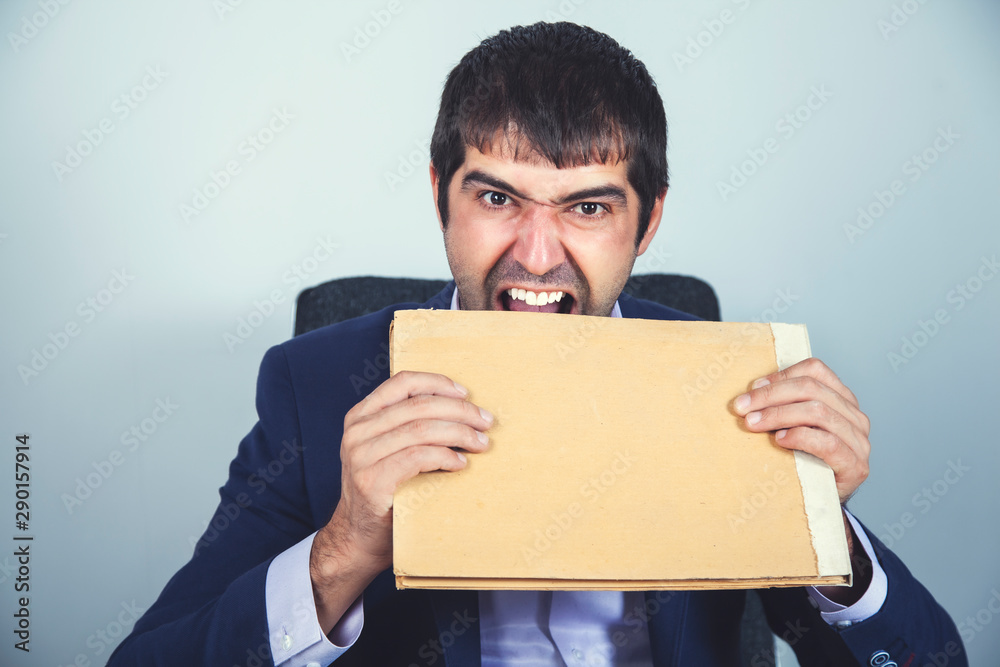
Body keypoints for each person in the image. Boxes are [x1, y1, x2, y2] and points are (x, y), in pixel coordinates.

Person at [109, 22, 966, 667]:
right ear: (441, 195)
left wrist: (824, 531)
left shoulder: (724, 389)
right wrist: (347, 544)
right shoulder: (317, 382)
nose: (536, 253)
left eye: (587, 207)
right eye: (497, 199)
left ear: (648, 223)